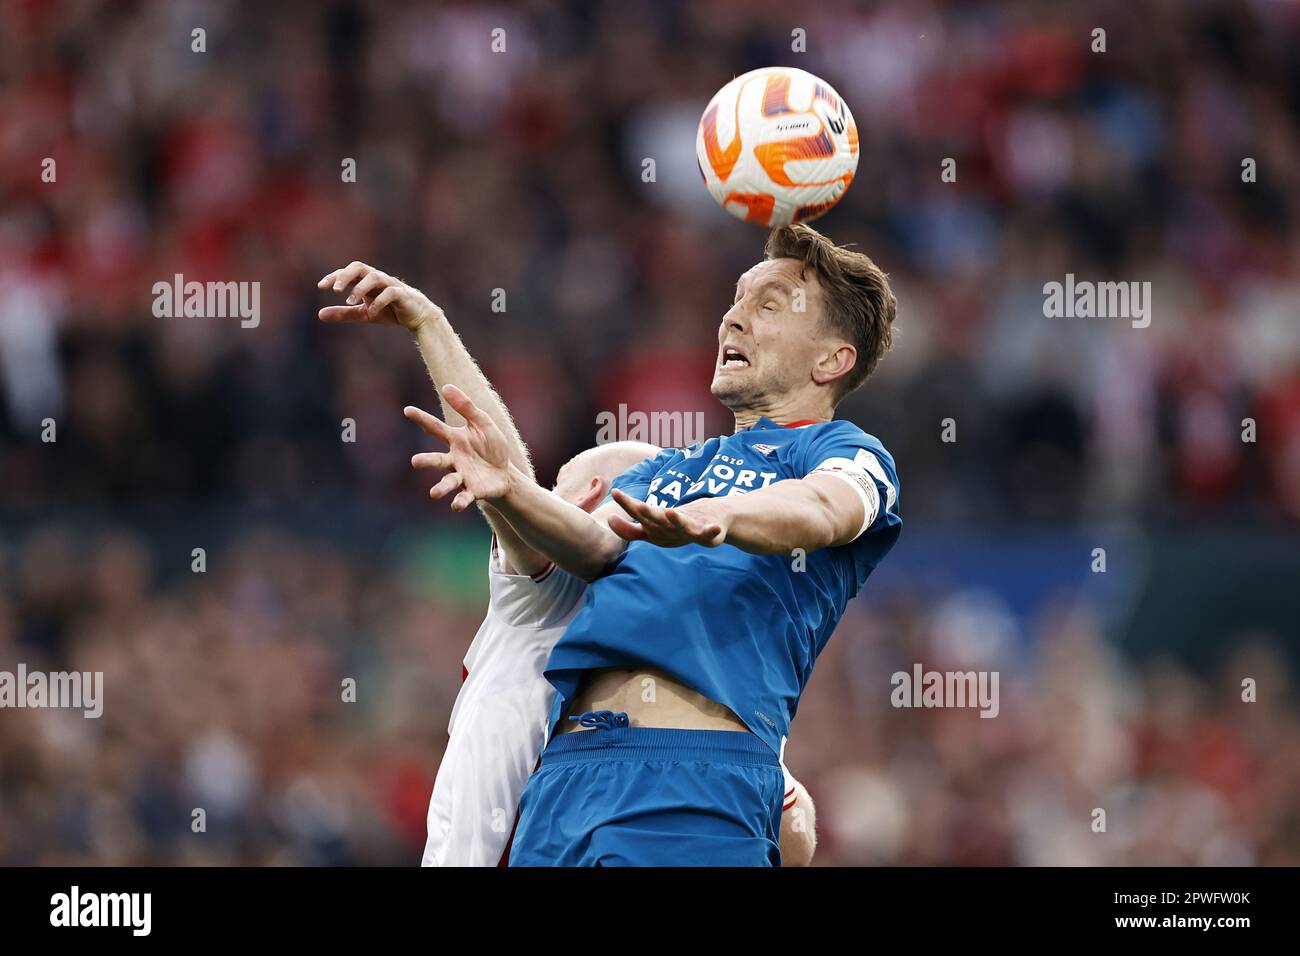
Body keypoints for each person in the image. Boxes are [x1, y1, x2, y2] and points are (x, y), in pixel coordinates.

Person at [400, 222, 901, 866]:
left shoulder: (840, 453)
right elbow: (592, 547)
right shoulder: (666, 470)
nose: (734, 319)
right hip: (564, 785)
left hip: (689, 783)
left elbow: (825, 509)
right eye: (737, 299)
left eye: (768, 305)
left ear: (831, 359)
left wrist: (722, 517)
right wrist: (509, 492)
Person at [316, 263, 819, 866]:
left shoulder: (683, 674)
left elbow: (797, 838)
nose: (552, 497)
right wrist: (431, 327)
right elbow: (504, 472)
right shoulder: (544, 597)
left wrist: (771, 786)